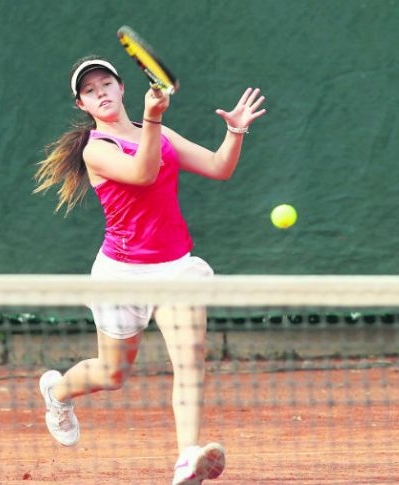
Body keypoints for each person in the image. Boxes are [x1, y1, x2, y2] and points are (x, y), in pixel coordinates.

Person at [33, 55, 266, 485]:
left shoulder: (159, 131)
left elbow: (220, 167)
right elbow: (142, 173)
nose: (100, 93)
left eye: (106, 84)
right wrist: (153, 118)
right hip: (121, 275)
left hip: (175, 269)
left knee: (190, 361)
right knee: (113, 374)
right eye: (89, 90)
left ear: (121, 87)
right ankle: (58, 392)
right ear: (82, 105)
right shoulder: (96, 149)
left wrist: (235, 131)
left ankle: (187, 458)